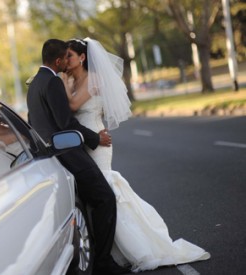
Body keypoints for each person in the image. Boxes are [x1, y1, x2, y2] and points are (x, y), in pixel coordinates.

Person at [62, 37, 211, 272]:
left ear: (82, 57)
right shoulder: (71, 80)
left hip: (98, 143)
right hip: (82, 142)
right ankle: (105, 249)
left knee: (106, 192)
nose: (65, 60)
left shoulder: (94, 79)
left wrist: (60, 80)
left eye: (69, 55)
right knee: (93, 197)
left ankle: (134, 247)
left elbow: (72, 106)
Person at [27, 38, 129, 275]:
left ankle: (96, 256)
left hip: (53, 154)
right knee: (105, 198)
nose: (66, 63)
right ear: (58, 60)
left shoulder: (34, 83)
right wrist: (95, 139)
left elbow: (35, 122)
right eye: (65, 58)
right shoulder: (52, 82)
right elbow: (65, 123)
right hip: (69, 151)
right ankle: (103, 263)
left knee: (87, 203)